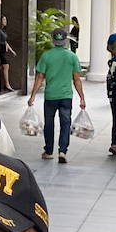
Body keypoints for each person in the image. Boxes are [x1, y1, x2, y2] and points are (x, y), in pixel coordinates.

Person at [27, 27, 86, 164]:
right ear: (66, 41)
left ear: (53, 40)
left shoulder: (46, 56)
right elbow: (76, 79)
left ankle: (48, 151)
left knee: (49, 124)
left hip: (50, 96)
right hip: (66, 96)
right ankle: (62, 151)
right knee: (65, 123)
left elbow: (40, 77)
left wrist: (32, 96)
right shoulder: (72, 56)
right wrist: (82, 97)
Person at [0, 15, 16, 92]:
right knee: (6, 65)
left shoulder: (3, 30)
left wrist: (11, 50)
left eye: (6, 20)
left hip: (2, 50)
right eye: (4, 20)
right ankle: (7, 85)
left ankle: (6, 85)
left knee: (4, 66)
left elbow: (5, 42)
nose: (5, 21)